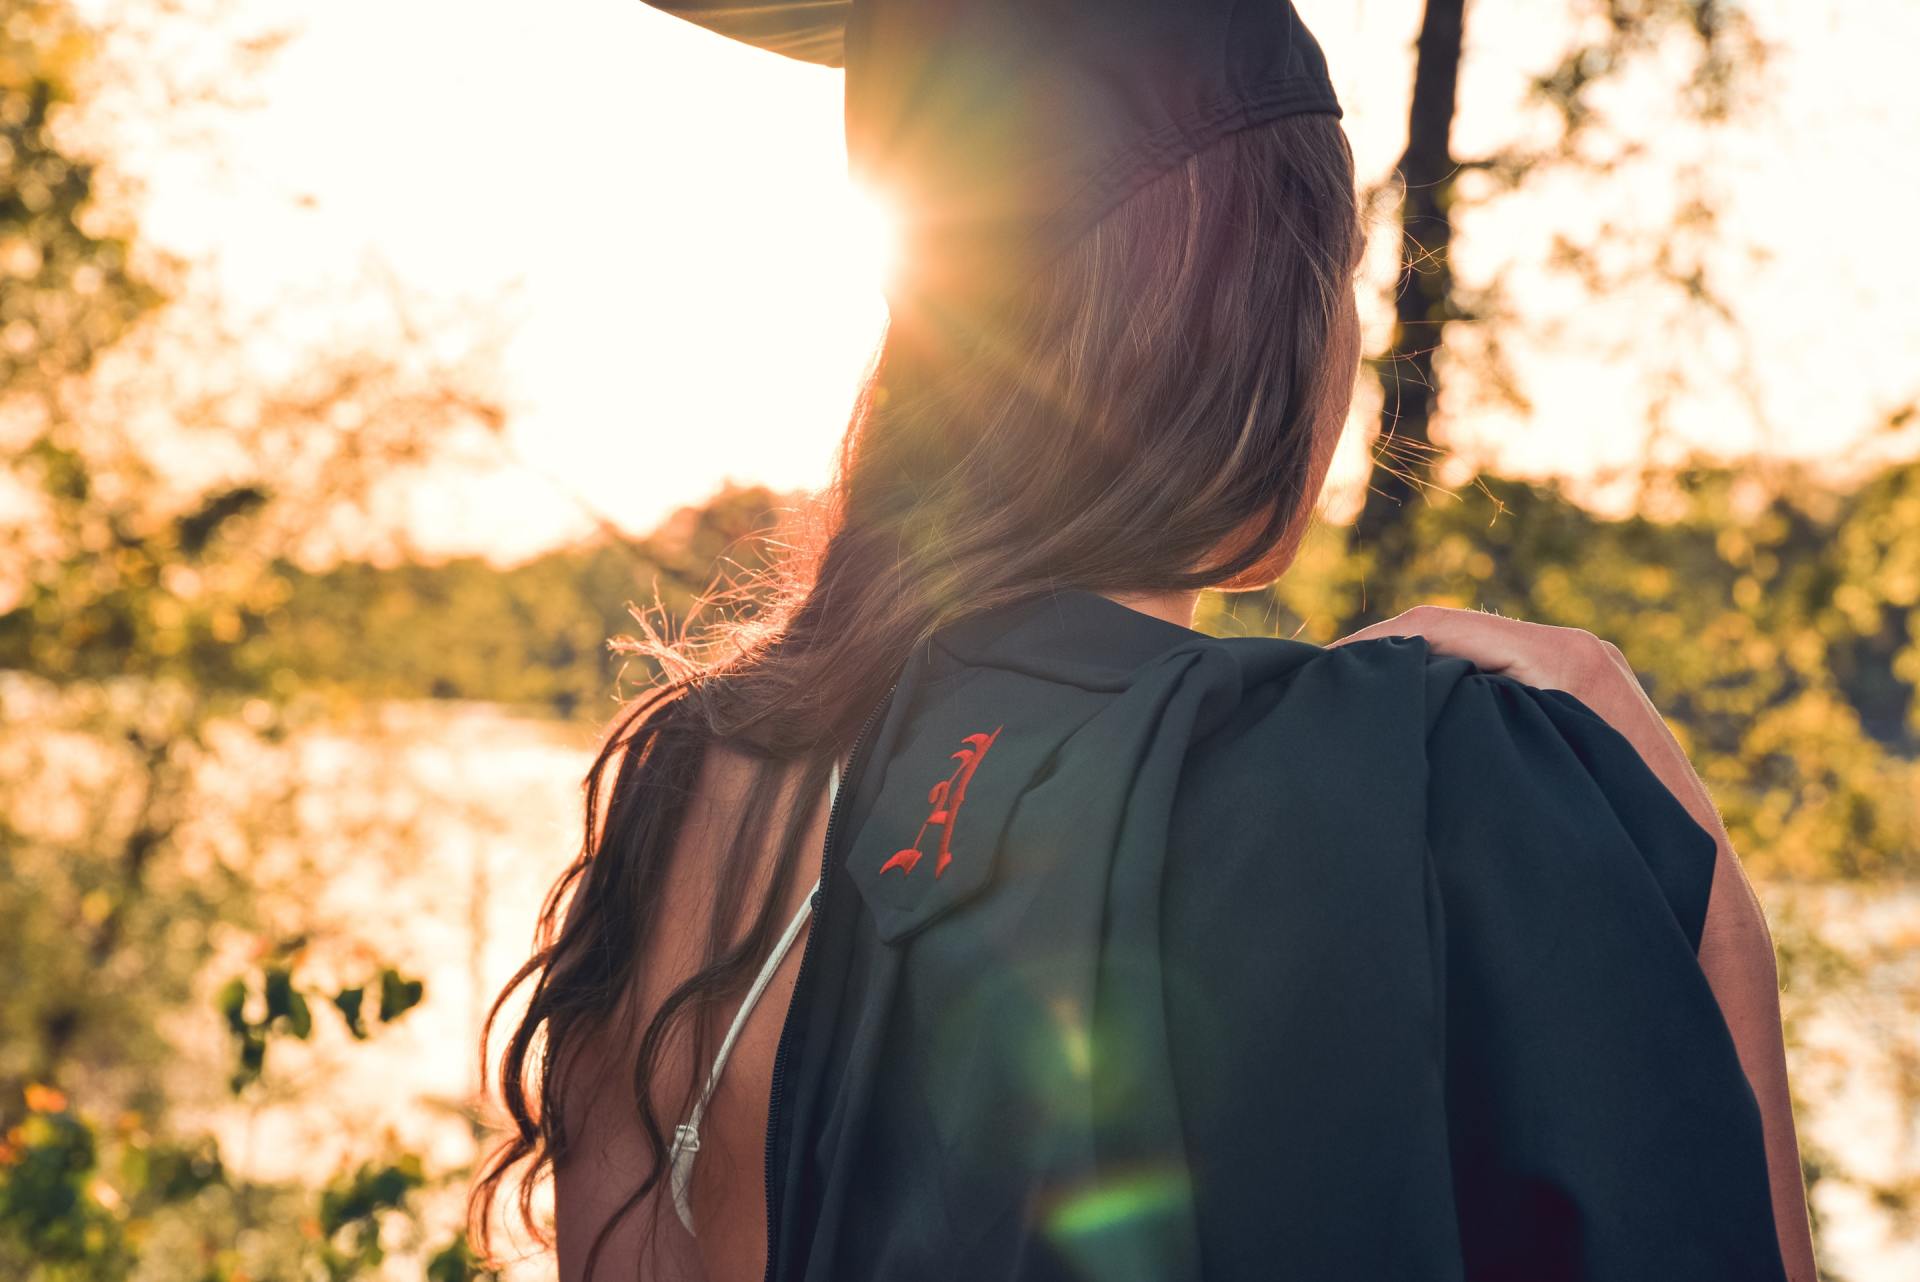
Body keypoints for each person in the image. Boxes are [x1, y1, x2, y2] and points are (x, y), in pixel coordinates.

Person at [471, 3, 1818, 1280]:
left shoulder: (694, 784)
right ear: (1251, 319)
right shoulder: (1416, 791)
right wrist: (1696, 890)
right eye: (1334, 276)